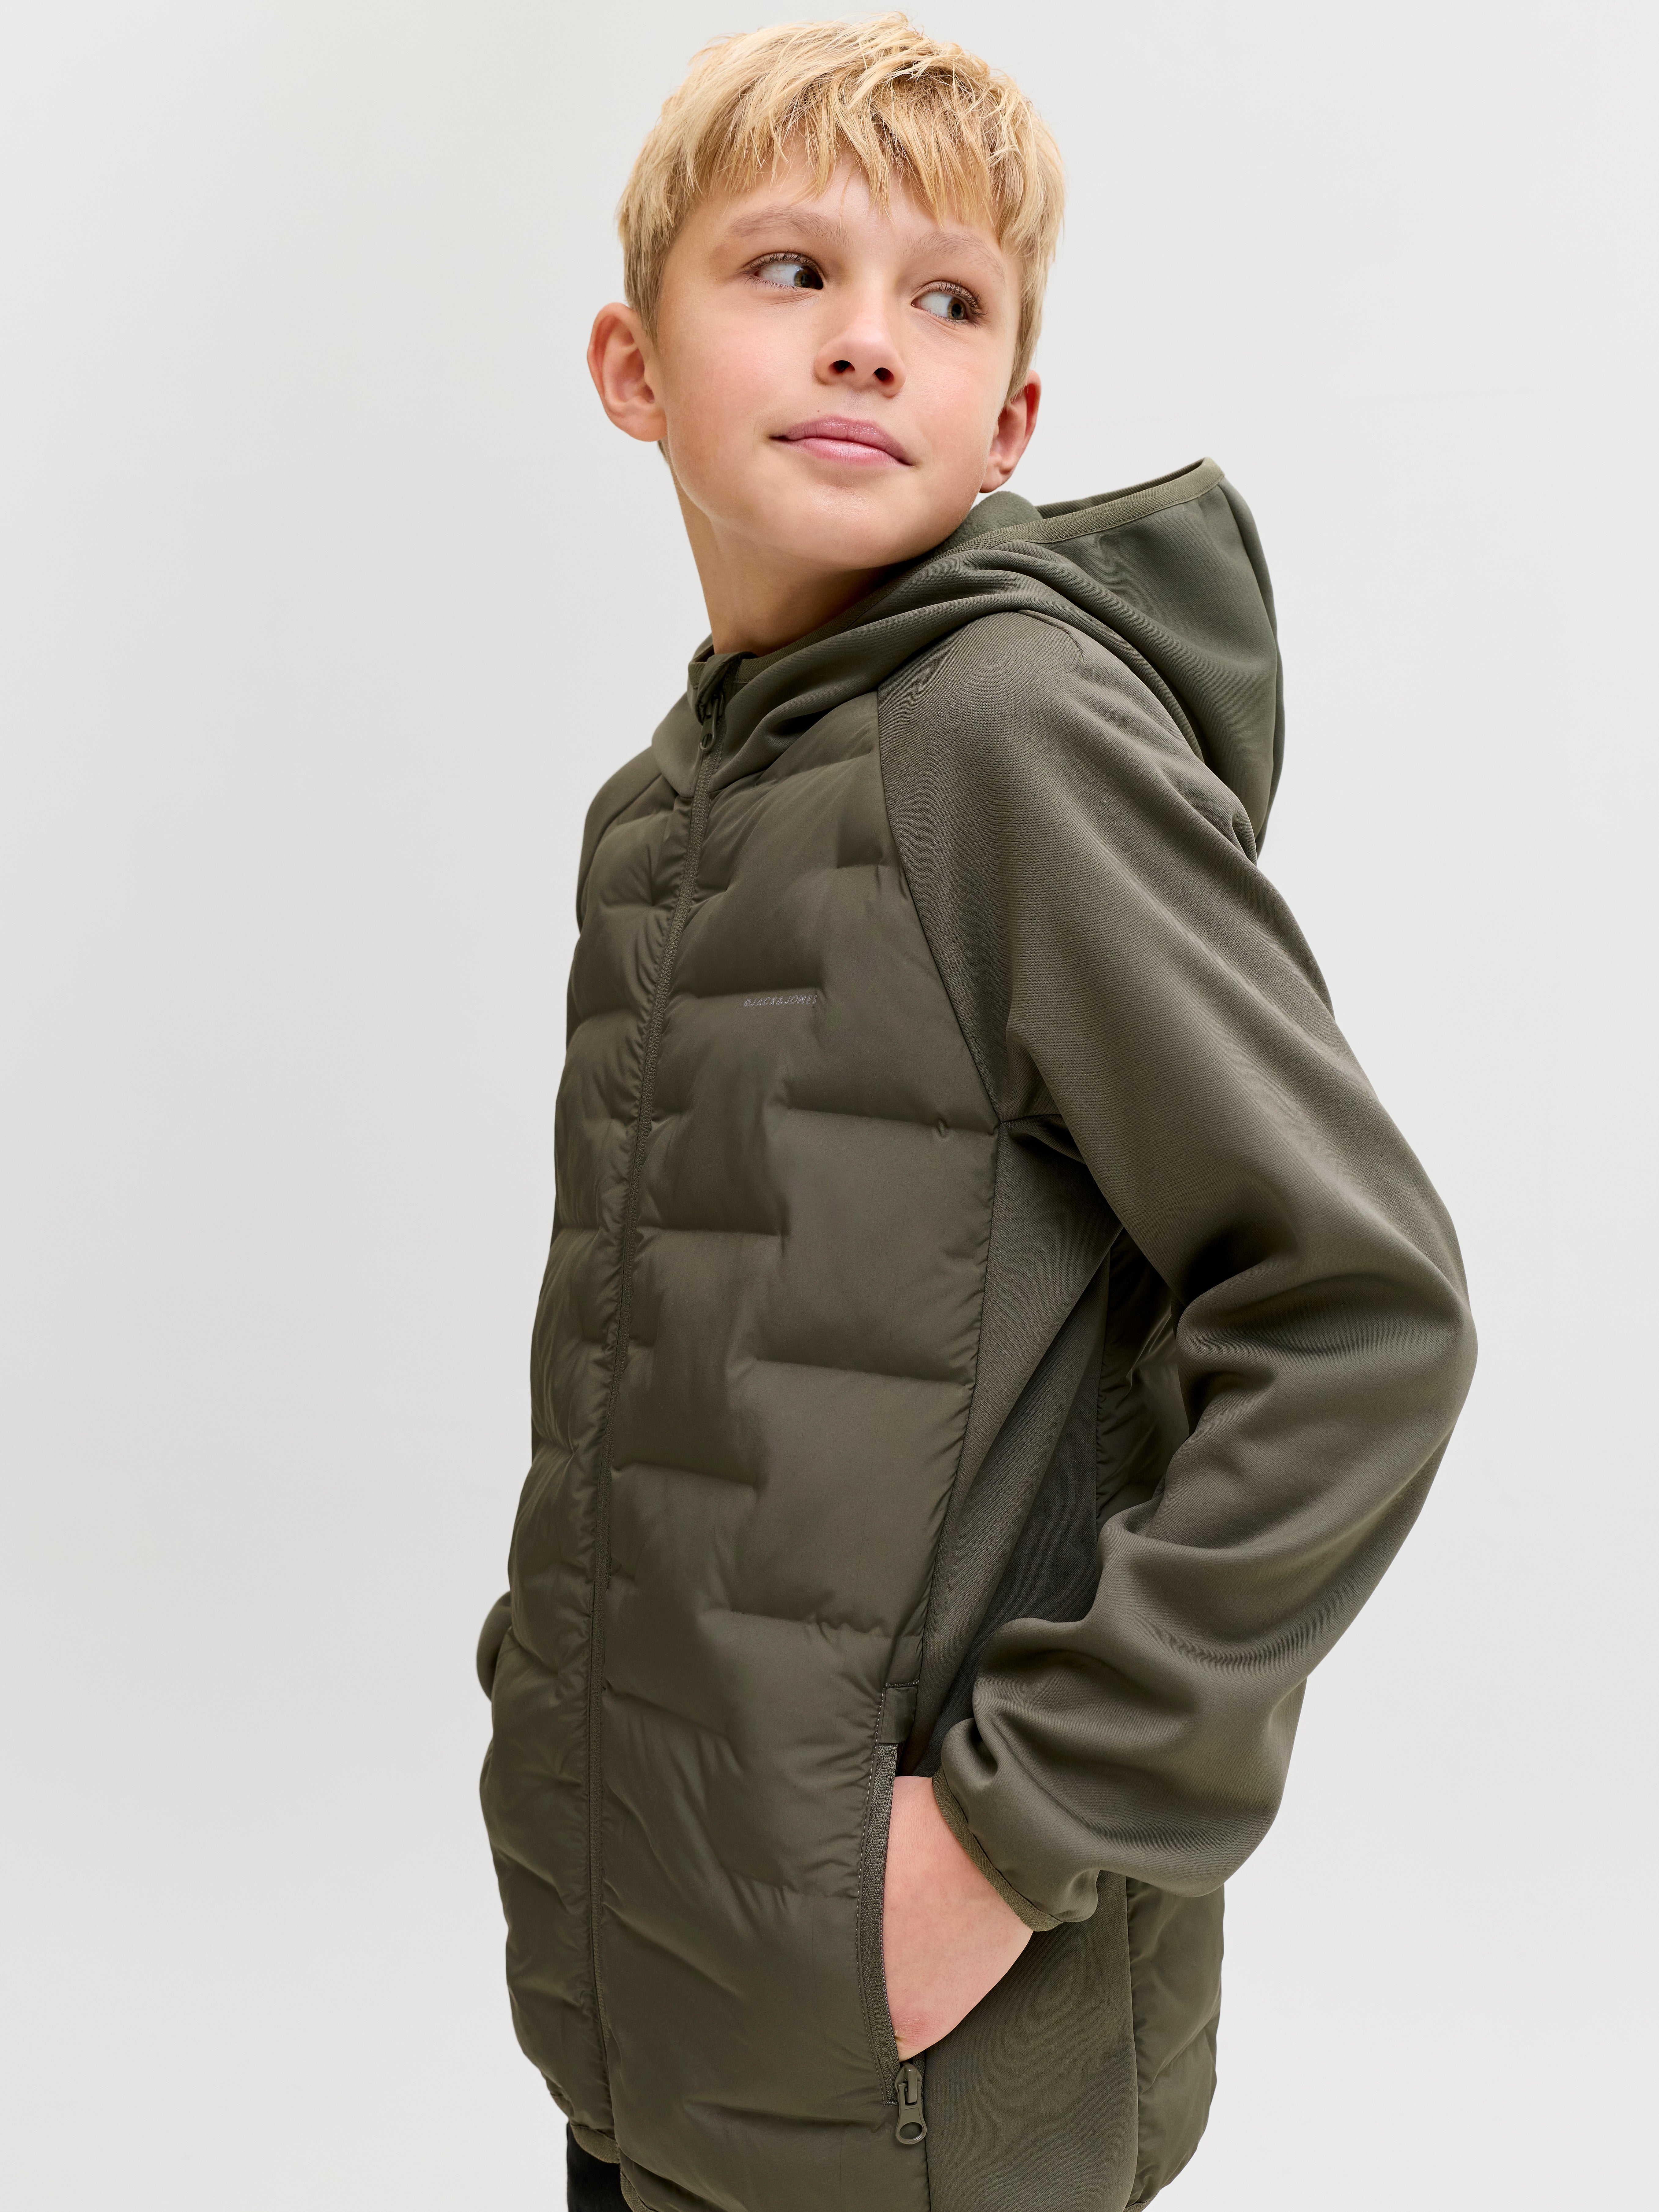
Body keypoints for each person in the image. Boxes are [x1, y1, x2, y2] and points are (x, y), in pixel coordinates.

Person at [474, 17, 1477, 2211]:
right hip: (654, 1990)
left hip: (918, 2056)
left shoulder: (1009, 736)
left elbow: (1356, 1313)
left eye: (944, 299)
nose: (865, 339)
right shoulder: (659, 814)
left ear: (1008, 416)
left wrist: (1017, 1831)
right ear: (632, 366)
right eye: (788, 271)